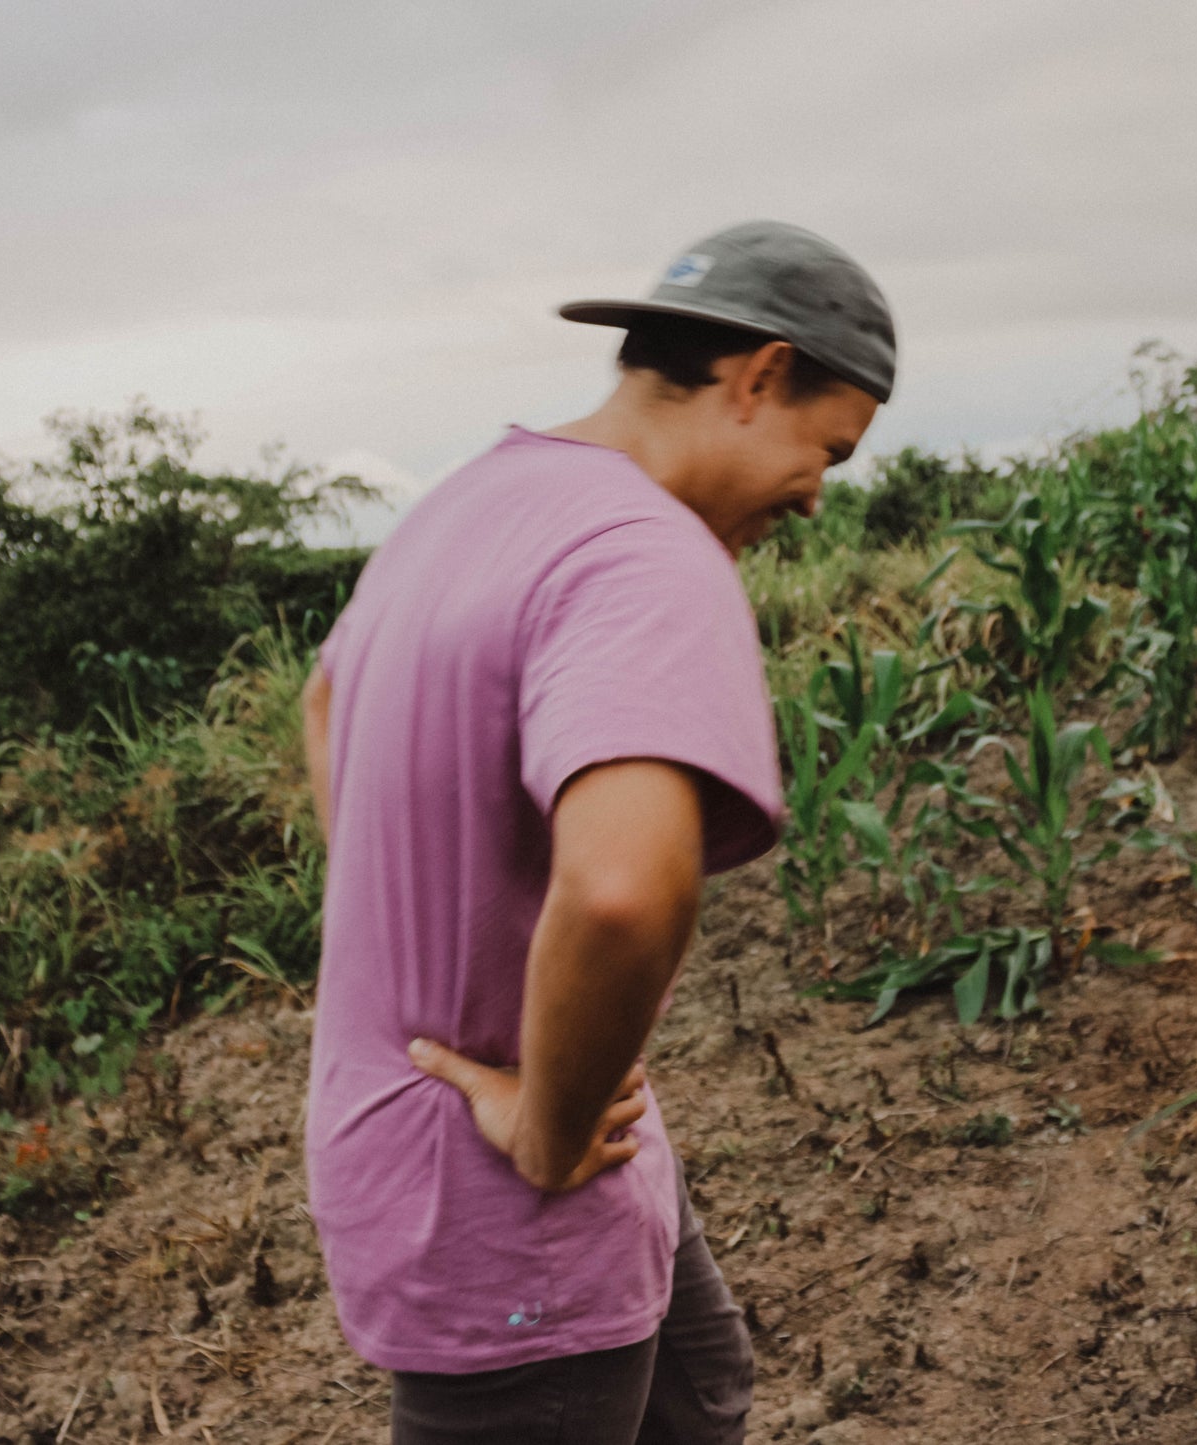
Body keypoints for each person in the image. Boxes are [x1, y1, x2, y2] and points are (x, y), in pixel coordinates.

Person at [301, 220, 896, 1444]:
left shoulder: (468, 501)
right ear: (759, 375)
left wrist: (419, 935)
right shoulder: (645, 552)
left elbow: (322, 703)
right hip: (510, 1203)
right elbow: (624, 888)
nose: (814, 493)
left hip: (414, 1142)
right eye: (823, 450)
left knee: (701, 1385)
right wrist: (549, 1119)